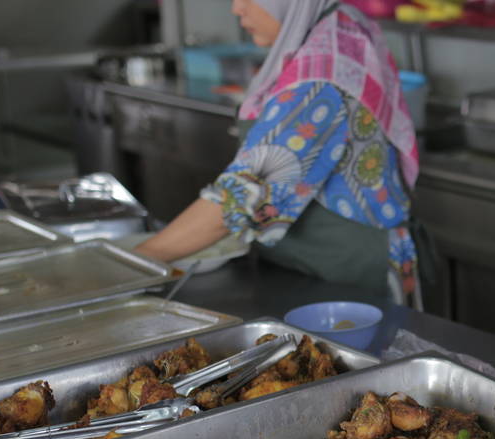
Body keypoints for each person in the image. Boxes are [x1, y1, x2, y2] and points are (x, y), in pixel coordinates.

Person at [134, 0, 424, 305]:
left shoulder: (321, 77)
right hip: (324, 271)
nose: (237, 9)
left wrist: (139, 260)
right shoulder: (338, 23)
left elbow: (244, 195)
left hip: (346, 280)